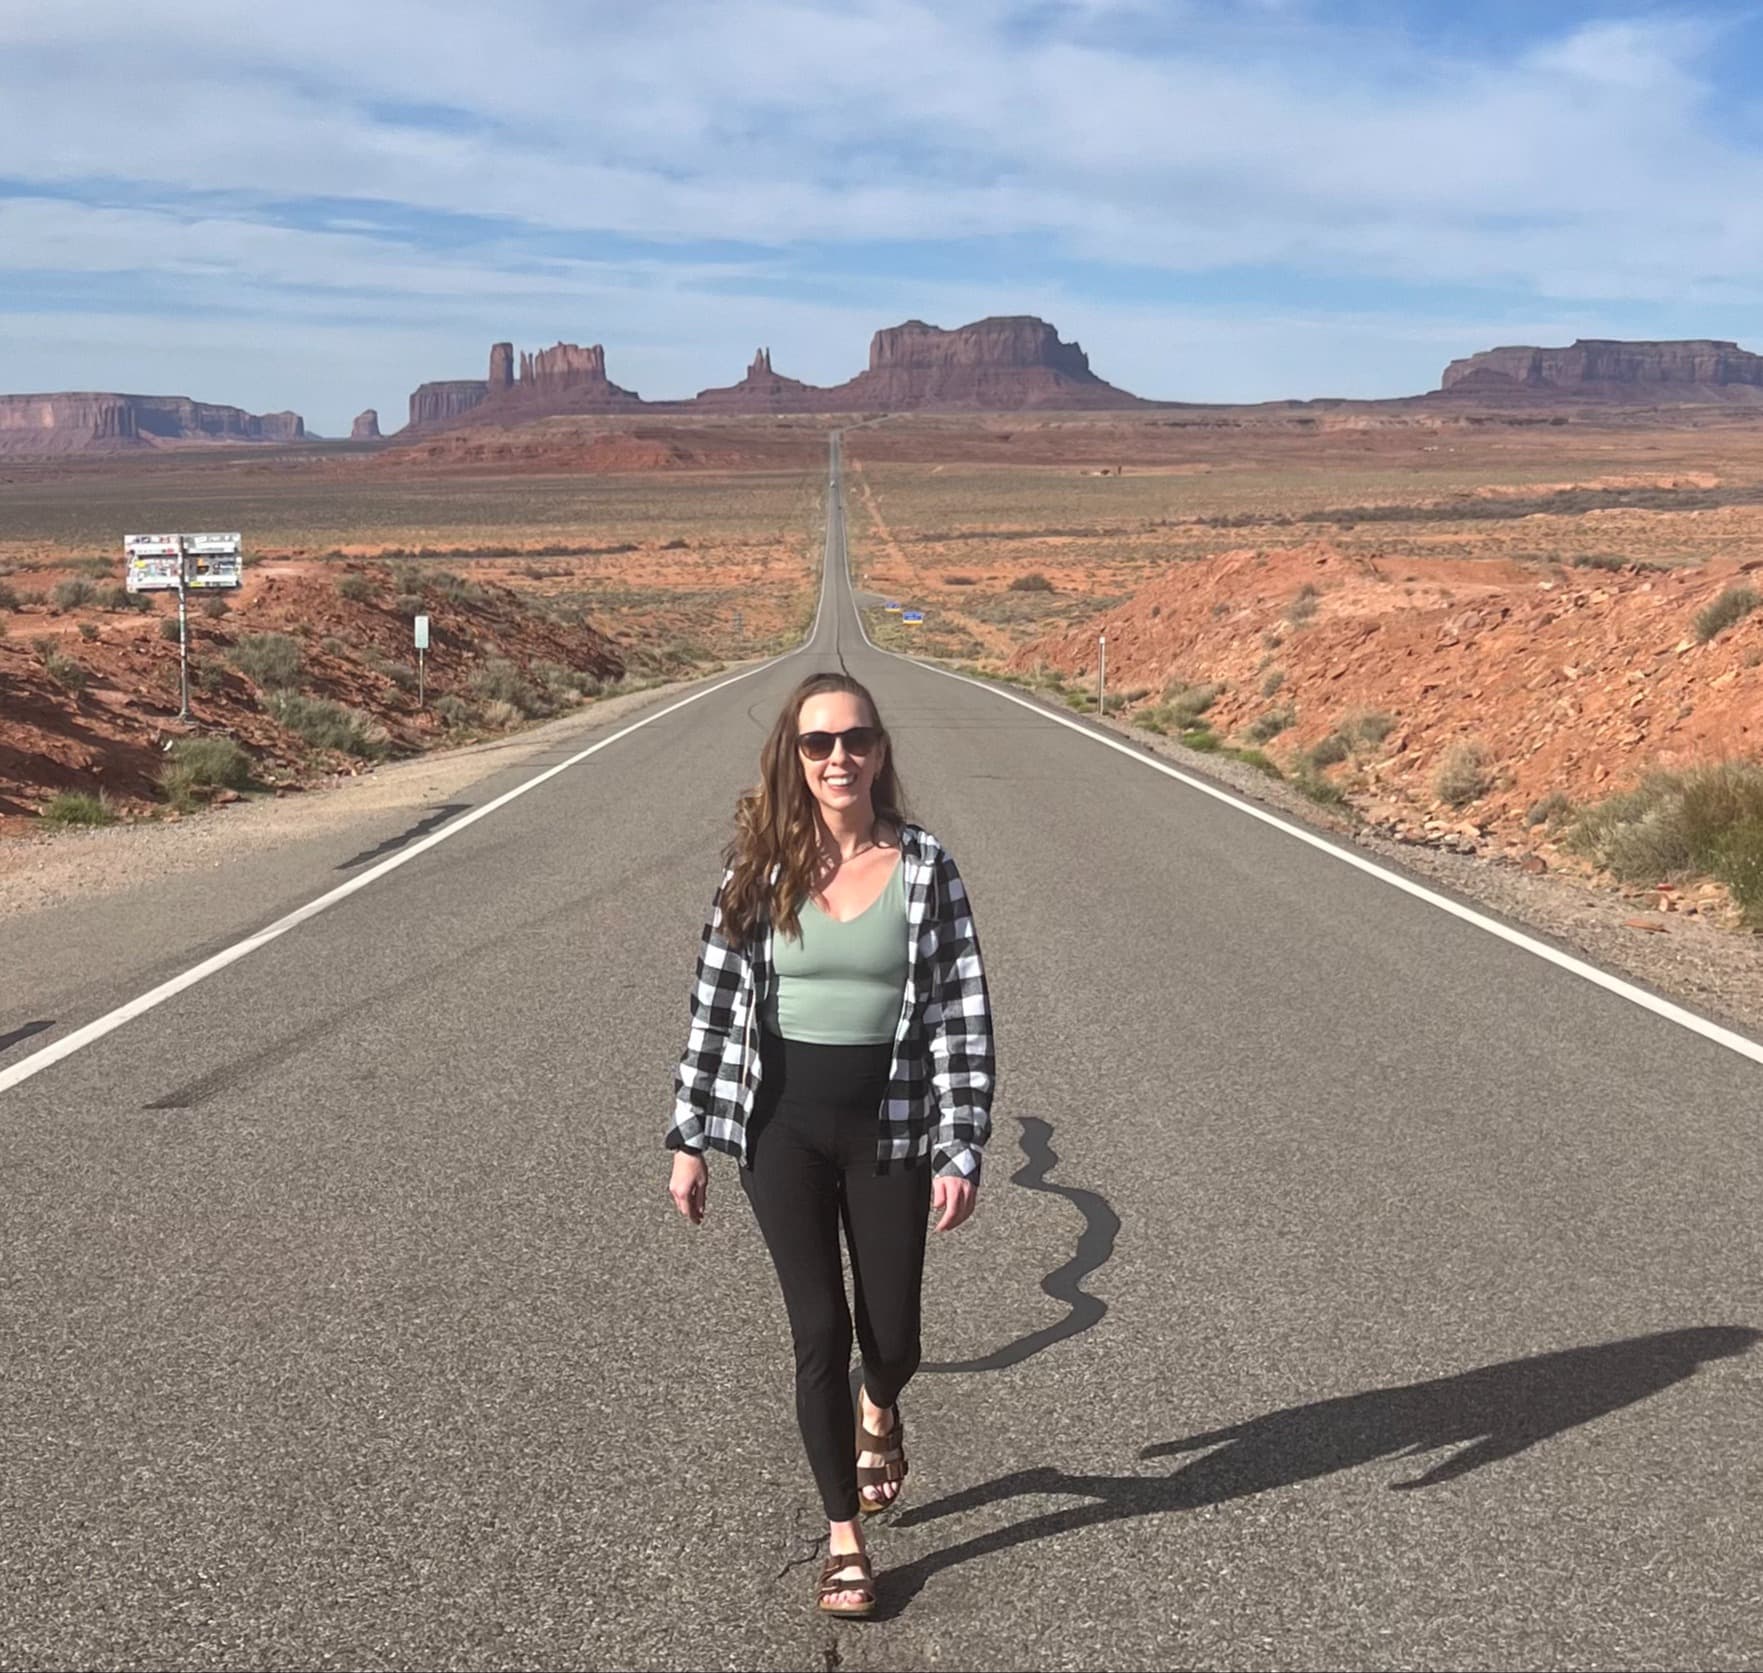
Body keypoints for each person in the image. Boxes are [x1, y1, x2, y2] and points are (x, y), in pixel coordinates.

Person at [665, 671, 995, 1618]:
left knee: (891, 1338)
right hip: (783, 1129)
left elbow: (959, 1015)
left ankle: (880, 1408)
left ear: (880, 751)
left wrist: (960, 1142)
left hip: (891, 1128)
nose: (838, 757)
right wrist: (691, 1137)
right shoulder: (757, 867)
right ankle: (844, 1539)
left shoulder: (926, 867)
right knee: (820, 1332)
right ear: (794, 757)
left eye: (854, 739)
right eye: (818, 743)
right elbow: (712, 1010)